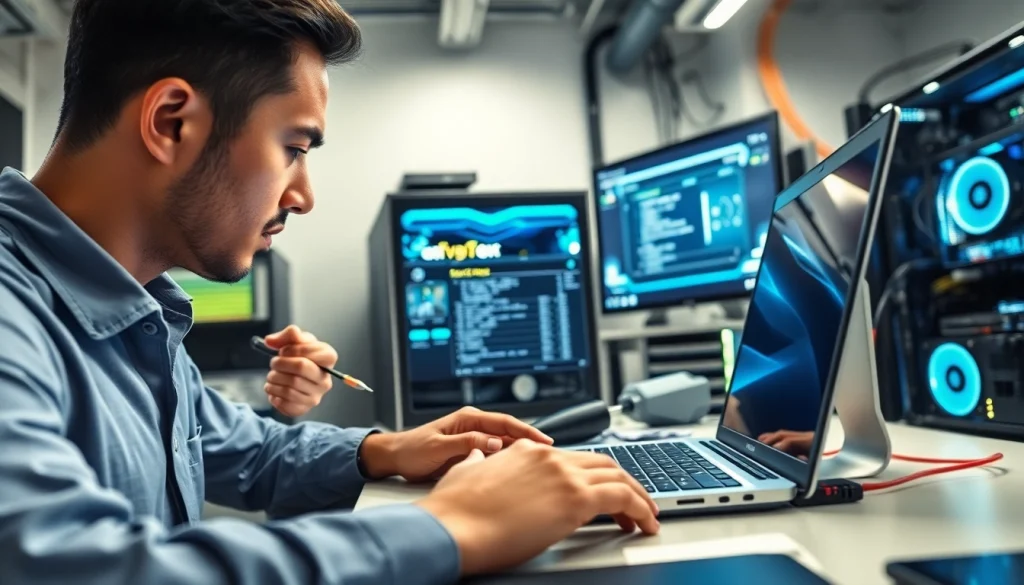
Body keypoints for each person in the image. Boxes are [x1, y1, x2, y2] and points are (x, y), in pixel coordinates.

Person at [0, 1, 660, 584]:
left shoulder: (137, 314)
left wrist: (385, 448)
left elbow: (244, 447)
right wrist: (455, 525)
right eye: (294, 146)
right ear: (173, 122)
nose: (304, 196)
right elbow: (72, 563)